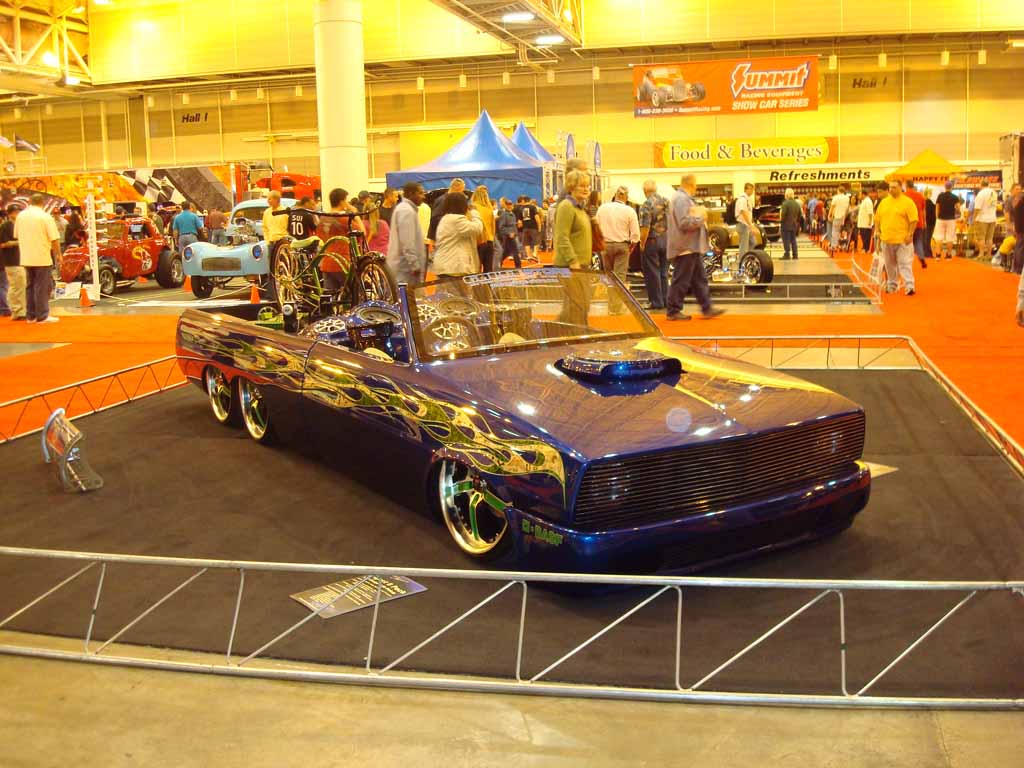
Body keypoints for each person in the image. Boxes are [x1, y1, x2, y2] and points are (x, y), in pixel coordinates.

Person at [665, 174, 724, 321]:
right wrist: (701, 218)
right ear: (690, 184)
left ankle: (707, 307)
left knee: (699, 279)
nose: (696, 187)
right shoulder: (681, 199)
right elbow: (684, 222)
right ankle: (673, 310)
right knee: (681, 279)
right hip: (685, 246)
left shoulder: (682, 198)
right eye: (695, 184)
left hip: (690, 246)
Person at [553, 170, 593, 325]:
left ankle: (563, 332)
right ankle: (571, 334)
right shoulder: (566, 206)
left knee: (580, 306)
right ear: (571, 187)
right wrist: (573, 261)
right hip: (570, 266)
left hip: (581, 266)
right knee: (577, 307)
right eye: (582, 186)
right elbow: (562, 237)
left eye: (587, 186)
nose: (586, 189)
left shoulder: (580, 208)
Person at [15, 194, 61, 323]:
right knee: (42, 286)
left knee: (30, 286)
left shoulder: (20, 216)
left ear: (30, 201)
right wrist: (59, 255)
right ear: (43, 202)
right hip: (42, 256)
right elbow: (54, 238)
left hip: (26, 256)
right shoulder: (45, 217)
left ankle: (31, 316)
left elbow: (16, 235)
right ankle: (42, 315)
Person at [595, 185, 640, 314]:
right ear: (626, 197)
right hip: (622, 246)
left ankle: (611, 306)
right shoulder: (629, 211)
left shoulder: (602, 208)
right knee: (619, 278)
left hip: (605, 245)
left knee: (609, 277)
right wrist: (632, 246)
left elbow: (596, 227)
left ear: (614, 195)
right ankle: (616, 308)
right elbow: (635, 234)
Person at [874, 181, 919, 296]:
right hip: (886, 239)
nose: (891, 189)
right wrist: (877, 232)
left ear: (900, 188)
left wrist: (910, 234)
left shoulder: (908, 202)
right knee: (889, 265)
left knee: (905, 263)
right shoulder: (884, 202)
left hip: (903, 240)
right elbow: (877, 219)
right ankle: (892, 285)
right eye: (890, 187)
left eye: (894, 187)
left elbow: (914, 220)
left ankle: (909, 286)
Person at [317, 188, 363, 293]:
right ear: (342, 202)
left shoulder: (323, 219)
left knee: (331, 297)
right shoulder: (344, 219)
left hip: (326, 263)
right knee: (352, 297)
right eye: (346, 200)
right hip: (343, 263)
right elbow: (362, 233)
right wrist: (356, 216)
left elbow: (321, 237)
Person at [432, 193, 483, 277]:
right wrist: (475, 213)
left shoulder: (446, 218)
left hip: (446, 265)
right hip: (454, 267)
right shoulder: (456, 219)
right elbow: (477, 228)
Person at [386, 182, 426, 285]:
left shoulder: (405, 209)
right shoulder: (406, 211)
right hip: (405, 270)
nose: (423, 196)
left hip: (405, 269)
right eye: (420, 193)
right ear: (411, 194)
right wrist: (415, 265)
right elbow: (407, 242)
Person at [639, 180, 669, 310]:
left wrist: (642, 243)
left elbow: (645, 227)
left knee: (652, 272)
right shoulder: (667, 201)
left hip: (652, 241)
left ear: (645, 191)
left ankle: (656, 302)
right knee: (664, 272)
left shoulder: (646, 204)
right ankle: (666, 300)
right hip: (666, 240)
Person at [0, 205, 24, 321]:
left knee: (19, 285)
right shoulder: (6, 226)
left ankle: (18, 309)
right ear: (10, 214)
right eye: (16, 212)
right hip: (11, 261)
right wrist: (19, 242)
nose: (18, 214)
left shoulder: (19, 226)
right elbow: (3, 244)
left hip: (20, 260)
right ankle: (14, 310)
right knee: (14, 286)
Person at [969, 179, 998, 264]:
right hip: (992, 218)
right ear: (988, 184)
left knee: (981, 238)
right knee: (989, 238)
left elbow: (977, 208)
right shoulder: (994, 193)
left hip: (982, 219)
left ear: (980, 185)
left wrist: (974, 219)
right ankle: (989, 255)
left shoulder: (981, 194)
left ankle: (981, 255)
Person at [428, 178, 465, 243]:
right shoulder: (444, 200)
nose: (462, 193)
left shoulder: (448, 199)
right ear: (456, 188)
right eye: (461, 191)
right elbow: (435, 219)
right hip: (438, 239)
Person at [470, 186, 496, 273]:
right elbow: (493, 227)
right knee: (488, 270)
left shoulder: (472, 208)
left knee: (475, 270)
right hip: (489, 241)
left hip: (478, 242)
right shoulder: (489, 209)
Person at [904, 181, 928, 268]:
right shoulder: (920, 195)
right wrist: (924, 222)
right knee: (918, 242)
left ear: (906, 186)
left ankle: (906, 260)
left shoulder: (903, 196)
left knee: (906, 243)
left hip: (907, 224)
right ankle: (921, 256)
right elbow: (923, 210)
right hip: (919, 222)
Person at [934, 181, 960, 260]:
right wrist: (957, 214)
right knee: (950, 238)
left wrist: (937, 217)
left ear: (945, 187)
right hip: (951, 219)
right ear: (952, 187)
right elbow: (958, 208)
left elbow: (937, 207)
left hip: (940, 219)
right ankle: (948, 255)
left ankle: (938, 255)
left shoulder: (940, 196)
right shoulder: (955, 197)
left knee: (939, 237)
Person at [515, 195, 541, 262]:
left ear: (524, 201)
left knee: (526, 243)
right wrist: (539, 226)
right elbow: (536, 217)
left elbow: (519, 221)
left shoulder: (521, 208)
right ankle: (534, 254)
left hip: (525, 228)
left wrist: (519, 226)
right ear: (529, 200)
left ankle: (529, 256)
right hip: (533, 227)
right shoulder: (533, 207)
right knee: (537, 241)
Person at [780, 188, 803, 260]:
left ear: (786, 195)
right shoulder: (797, 204)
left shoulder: (785, 203)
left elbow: (783, 214)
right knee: (793, 240)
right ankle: (795, 254)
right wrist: (796, 222)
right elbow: (800, 215)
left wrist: (781, 221)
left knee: (786, 240)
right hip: (794, 225)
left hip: (786, 225)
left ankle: (787, 254)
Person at [827, 184, 851, 253]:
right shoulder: (847, 198)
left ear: (838, 191)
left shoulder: (835, 197)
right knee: (842, 232)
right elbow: (847, 208)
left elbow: (832, 207)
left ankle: (834, 246)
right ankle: (842, 245)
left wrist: (829, 215)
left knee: (835, 231)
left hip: (837, 216)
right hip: (844, 217)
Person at [497, 198, 519, 269]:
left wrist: (516, 230)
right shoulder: (504, 214)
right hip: (507, 236)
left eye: (510, 204)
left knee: (506, 252)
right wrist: (509, 233)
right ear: (505, 206)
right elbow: (501, 227)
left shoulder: (512, 214)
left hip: (512, 236)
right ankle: (518, 267)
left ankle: (498, 263)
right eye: (508, 205)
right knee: (515, 251)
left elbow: (513, 225)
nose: (509, 206)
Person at [734, 183, 754, 254]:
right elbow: (743, 212)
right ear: (747, 189)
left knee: (753, 242)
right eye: (751, 189)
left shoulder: (747, 199)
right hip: (742, 224)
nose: (752, 191)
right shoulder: (742, 199)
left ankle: (748, 256)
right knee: (744, 246)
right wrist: (749, 224)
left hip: (746, 225)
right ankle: (742, 258)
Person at [856, 188, 876, 253]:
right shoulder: (864, 201)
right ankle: (864, 248)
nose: (859, 196)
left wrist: (870, 221)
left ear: (863, 194)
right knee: (863, 236)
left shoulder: (868, 201)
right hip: (862, 223)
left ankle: (866, 249)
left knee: (866, 237)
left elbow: (870, 212)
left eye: (859, 194)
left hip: (866, 223)